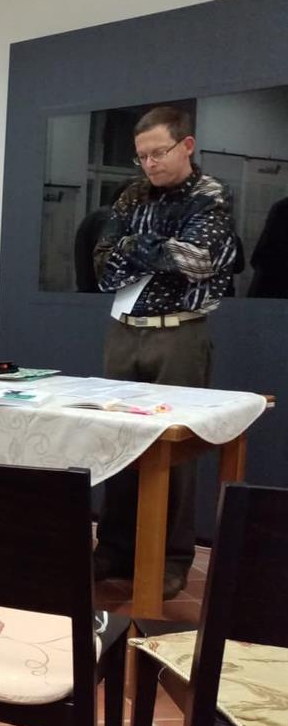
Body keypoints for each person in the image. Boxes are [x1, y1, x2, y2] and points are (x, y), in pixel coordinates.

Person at [93, 106, 239, 599]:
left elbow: (199, 261)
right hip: (124, 330)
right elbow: (103, 267)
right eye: (142, 156)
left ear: (187, 145)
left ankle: (171, 557)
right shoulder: (131, 195)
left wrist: (135, 246)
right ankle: (113, 548)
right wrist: (158, 248)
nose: (150, 163)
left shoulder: (210, 195)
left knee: (175, 448)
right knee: (118, 441)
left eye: (158, 152)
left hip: (179, 333)